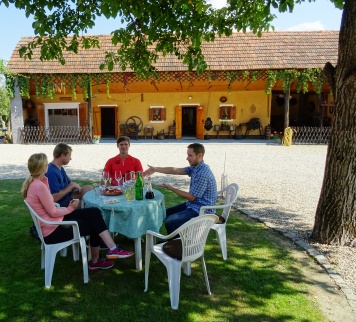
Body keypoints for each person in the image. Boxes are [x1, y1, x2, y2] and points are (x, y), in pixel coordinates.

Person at [22, 153, 133, 270]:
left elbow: (50, 207)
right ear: (43, 167)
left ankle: (112, 249)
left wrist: (67, 207)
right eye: (46, 164)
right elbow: (53, 212)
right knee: (95, 225)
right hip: (53, 231)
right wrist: (70, 208)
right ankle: (96, 261)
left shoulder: (36, 183)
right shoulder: (39, 186)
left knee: (94, 212)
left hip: (55, 222)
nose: (48, 166)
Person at [143, 143, 217, 234]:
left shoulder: (202, 174)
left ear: (200, 155)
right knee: (164, 213)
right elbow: (176, 170)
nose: (187, 158)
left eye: (190, 155)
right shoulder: (196, 168)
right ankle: (173, 241)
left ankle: (175, 244)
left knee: (170, 221)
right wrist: (156, 169)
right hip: (194, 204)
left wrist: (171, 188)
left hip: (202, 211)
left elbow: (191, 197)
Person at [46, 143, 93, 207]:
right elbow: (54, 198)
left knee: (89, 188)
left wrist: (76, 187)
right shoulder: (52, 172)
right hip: (60, 203)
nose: (71, 158)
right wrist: (71, 186)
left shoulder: (60, 168)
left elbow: (69, 184)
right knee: (88, 204)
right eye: (69, 155)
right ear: (63, 155)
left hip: (67, 196)